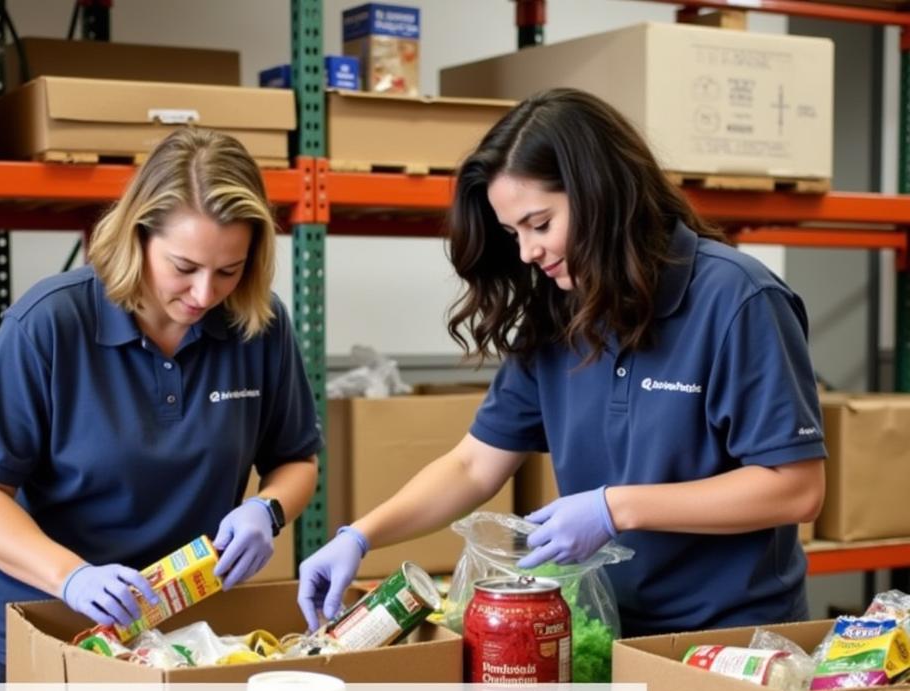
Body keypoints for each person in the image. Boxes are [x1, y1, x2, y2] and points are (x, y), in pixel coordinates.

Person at [299, 88, 825, 639]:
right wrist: (359, 536)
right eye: (513, 233)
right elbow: (473, 466)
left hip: (730, 639)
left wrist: (613, 508)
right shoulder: (560, 319)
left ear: (602, 194)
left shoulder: (737, 299)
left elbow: (795, 488)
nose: (527, 251)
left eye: (540, 223)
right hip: (602, 631)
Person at [0, 127, 321, 682]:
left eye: (229, 270)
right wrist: (70, 577)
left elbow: (296, 460)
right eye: (183, 267)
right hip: (47, 623)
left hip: (184, 631)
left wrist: (266, 511)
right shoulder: (49, 324)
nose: (203, 295)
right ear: (137, 236)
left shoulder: (257, 324)